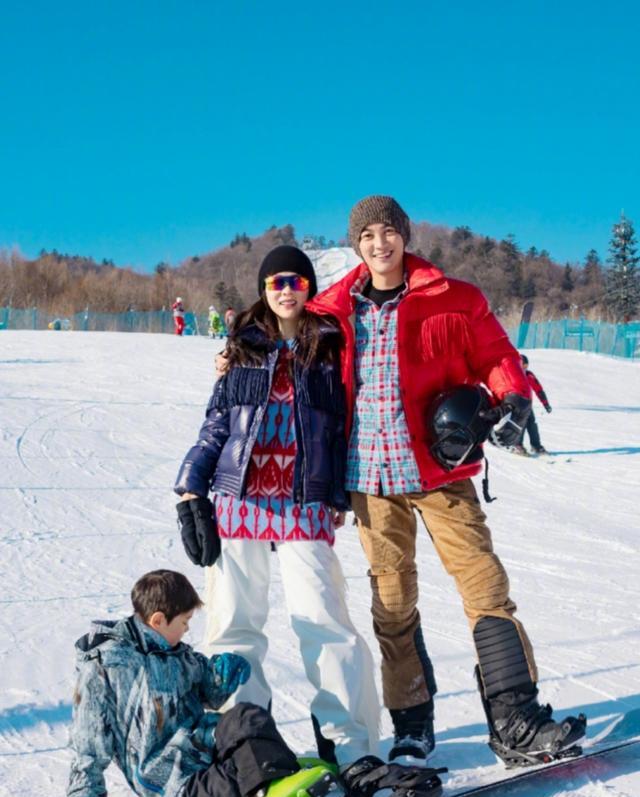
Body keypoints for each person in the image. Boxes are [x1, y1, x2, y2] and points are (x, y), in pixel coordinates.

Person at [306, 195, 586, 767]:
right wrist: (234, 356)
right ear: (356, 245)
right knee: (392, 603)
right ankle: (412, 723)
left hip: (441, 471)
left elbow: (495, 352)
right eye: (367, 236)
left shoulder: (454, 297)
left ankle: (514, 719)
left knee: (484, 587)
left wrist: (512, 393)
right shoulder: (333, 310)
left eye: (389, 232)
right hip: (369, 477)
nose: (379, 243)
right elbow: (279, 339)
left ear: (405, 237)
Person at [174, 246, 380, 771]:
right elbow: (217, 424)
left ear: (310, 289)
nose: (286, 290)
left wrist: (337, 494)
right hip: (239, 500)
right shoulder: (243, 345)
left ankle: (352, 747)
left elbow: (338, 430)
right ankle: (246, 747)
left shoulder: (331, 347)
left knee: (325, 620)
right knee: (233, 626)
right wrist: (189, 485)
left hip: (304, 501)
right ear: (264, 290)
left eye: (296, 281)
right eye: (275, 282)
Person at [67, 569, 305, 797]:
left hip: (203, 746)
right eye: (184, 621)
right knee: (234, 779)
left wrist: (222, 676)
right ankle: (265, 786)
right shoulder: (106, 666)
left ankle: (282, 776)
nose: (187, 628)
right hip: (172, 779)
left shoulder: (176, 652)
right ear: (158, 620)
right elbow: (88, 749)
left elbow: (208, 691)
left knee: (248, 717)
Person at [515, 354, 552, 455]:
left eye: (526, 366)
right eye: (523, 365)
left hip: (527, 404)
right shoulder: (513, 375)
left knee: (532, 424)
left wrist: (546, 404)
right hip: (516, 404)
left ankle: (536, 446)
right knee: (520, 424)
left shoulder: (529, 375)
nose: (525, 368)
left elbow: (538, 389)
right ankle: (517, 445)